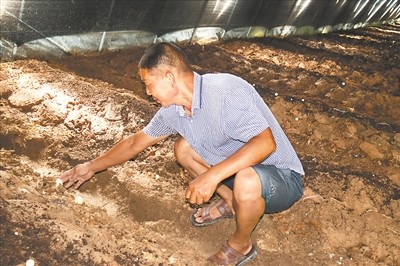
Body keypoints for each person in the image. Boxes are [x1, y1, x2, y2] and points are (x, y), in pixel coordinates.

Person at [60, 42, 304, 265]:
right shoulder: (173, 111)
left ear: (169, 77)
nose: (147, 92)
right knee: (183, 148)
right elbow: (135, 143)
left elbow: (265, 144)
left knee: (247, 179)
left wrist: (210, 178)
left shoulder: (225, 91)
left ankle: (242, 245)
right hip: (238, 172)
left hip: (280, 178)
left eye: (148, 83)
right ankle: (232, 201)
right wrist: (90, 167)